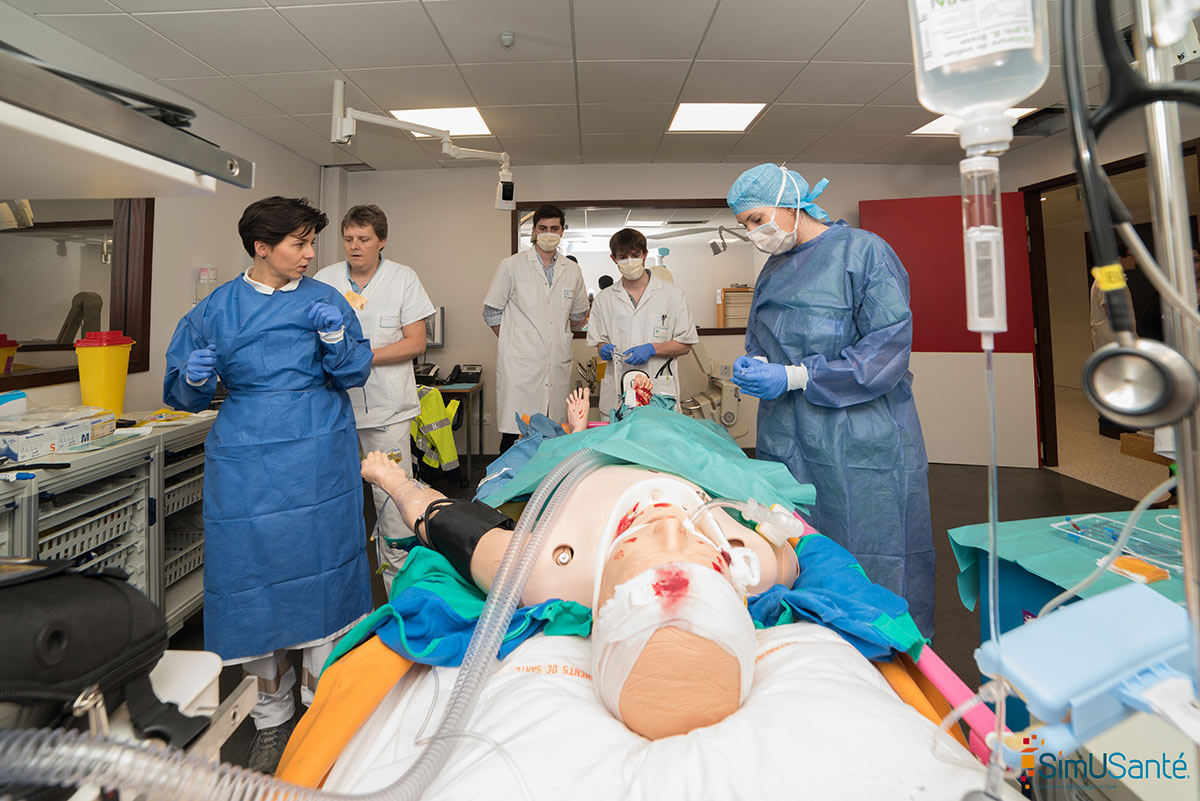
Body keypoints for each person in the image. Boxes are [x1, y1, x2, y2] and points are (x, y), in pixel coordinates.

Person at [163, 196, 374, 774]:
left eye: (311, 243)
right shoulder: (215, 310)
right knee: (253, 581)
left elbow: (354, 371)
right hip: (247, 459)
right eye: (299, 244)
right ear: (262, 247)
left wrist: (336, 340)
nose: (310, 254)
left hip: (319, 452)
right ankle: (271, 720)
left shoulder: (326, 300)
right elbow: (181, 394)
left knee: (325, 571)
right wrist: (194, 379)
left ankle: (324, 711)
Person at [725, 163, 934, 637]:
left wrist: (798, 375)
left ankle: (890, 645)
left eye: (757, 218)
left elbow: (885, 352)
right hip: (788, 436)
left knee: (872, 547)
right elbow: (763, 339)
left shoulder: (864, 252)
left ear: (790, 203)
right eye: (745, 225)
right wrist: (755, 366)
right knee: (797, 543)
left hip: (862, 438)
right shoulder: (774, 269)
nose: (754, 233)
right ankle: (811, 645)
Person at [314, 204, 435, 585]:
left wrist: (361, 358)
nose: (355, 246)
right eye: (348, 239)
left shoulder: (403, 278)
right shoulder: (325, 280)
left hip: (388, 412)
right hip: (336, 409)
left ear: (381, 241)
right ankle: (340, 593)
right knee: (334, 501)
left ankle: (402, 593)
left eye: (364, 239)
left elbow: (415, 343)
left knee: (394, 506)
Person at [483, 204, 589, 453]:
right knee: (515, 437)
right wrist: (515, 342)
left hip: (556, 366)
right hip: (520, 369)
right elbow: (491, 312)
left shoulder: (572, 270)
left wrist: (555, 333)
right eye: (543, 228)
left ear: (562, 231)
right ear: (534, 230)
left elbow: (578, 315)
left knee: (554, 438)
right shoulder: (511, 265)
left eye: (554, 228)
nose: (548, 233)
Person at [587, 228, 699, 417]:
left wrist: (652, 349)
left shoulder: (672, 295)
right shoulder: (604, 299)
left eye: (635, 255)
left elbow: (685, 344)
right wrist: (603, 348)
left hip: (659, 392)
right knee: (617, 435)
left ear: (645, 254)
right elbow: (599, 342)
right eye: (623, 257)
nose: (630, 261)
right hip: (617, 392)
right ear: (614, 258)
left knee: (657, 434)